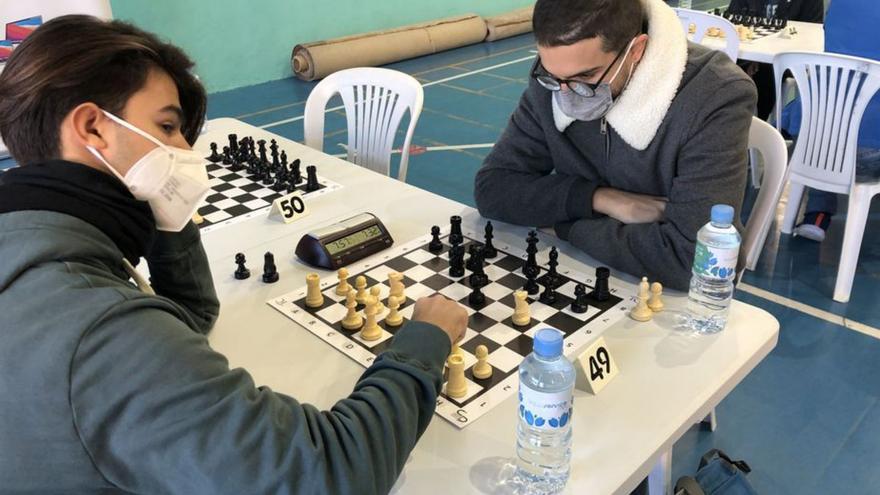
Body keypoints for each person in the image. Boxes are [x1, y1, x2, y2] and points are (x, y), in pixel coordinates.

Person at [0, 15, 467, 494]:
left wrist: (164, 205)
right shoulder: (103, 332)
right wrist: (424, 344)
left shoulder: (32, 235)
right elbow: (331, 474)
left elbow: (190, 317)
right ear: (94, 128)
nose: (186, 149)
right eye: (167, 126)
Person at [474, 0, 757, 291]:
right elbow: (492, 189)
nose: (566, 93)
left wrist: (563, 224)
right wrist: (598, 199)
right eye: (553, 76)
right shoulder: (554, 79)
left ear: (636, 50)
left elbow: (694, 260)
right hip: (577, 272)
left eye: (586, 77)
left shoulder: (716, 96)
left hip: (666, 297)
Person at [782, 0, 880, 242]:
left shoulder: (839, 5)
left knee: (829, 123)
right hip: (870, 155)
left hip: (813, 142)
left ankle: (817, 213)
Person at [726, 0, 825, 120]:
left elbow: (811, 35)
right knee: (724, 67)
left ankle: (755, 122)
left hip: (786, 58)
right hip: (747, 55)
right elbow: (732, 22)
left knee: (765, 71)